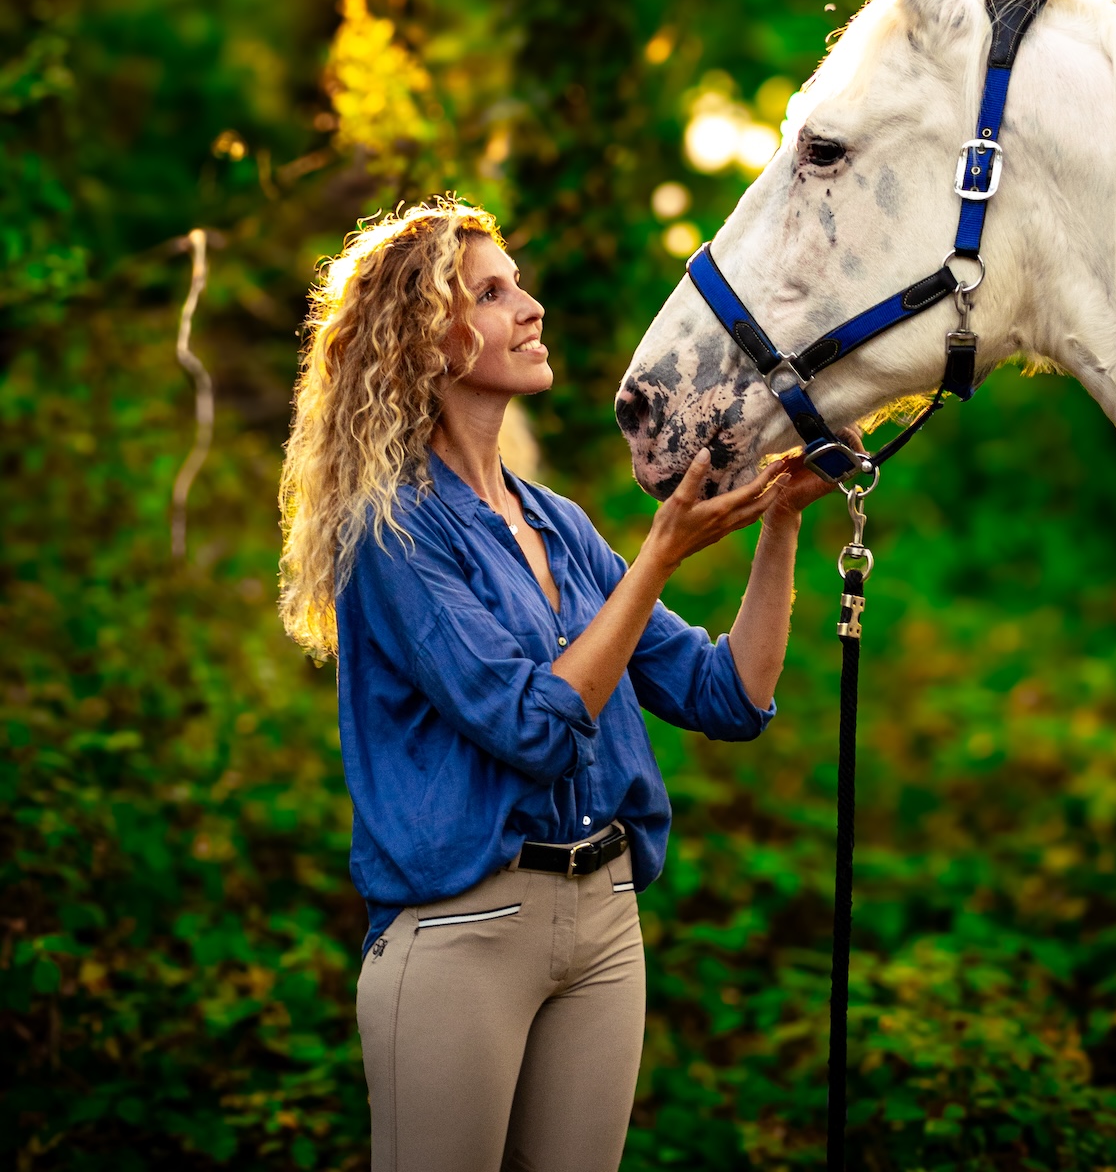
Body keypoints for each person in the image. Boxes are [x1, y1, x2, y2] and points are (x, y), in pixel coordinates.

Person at [278, 197, 838, 1172]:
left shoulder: (562, 524)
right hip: (462, 931)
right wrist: (660, 557)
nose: (529, 307)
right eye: (491, 294)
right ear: (424, 339)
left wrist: (780, 520)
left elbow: (728, 695)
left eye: (518, 285)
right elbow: (533, 728)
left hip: (604, 926)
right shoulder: (393, 533)